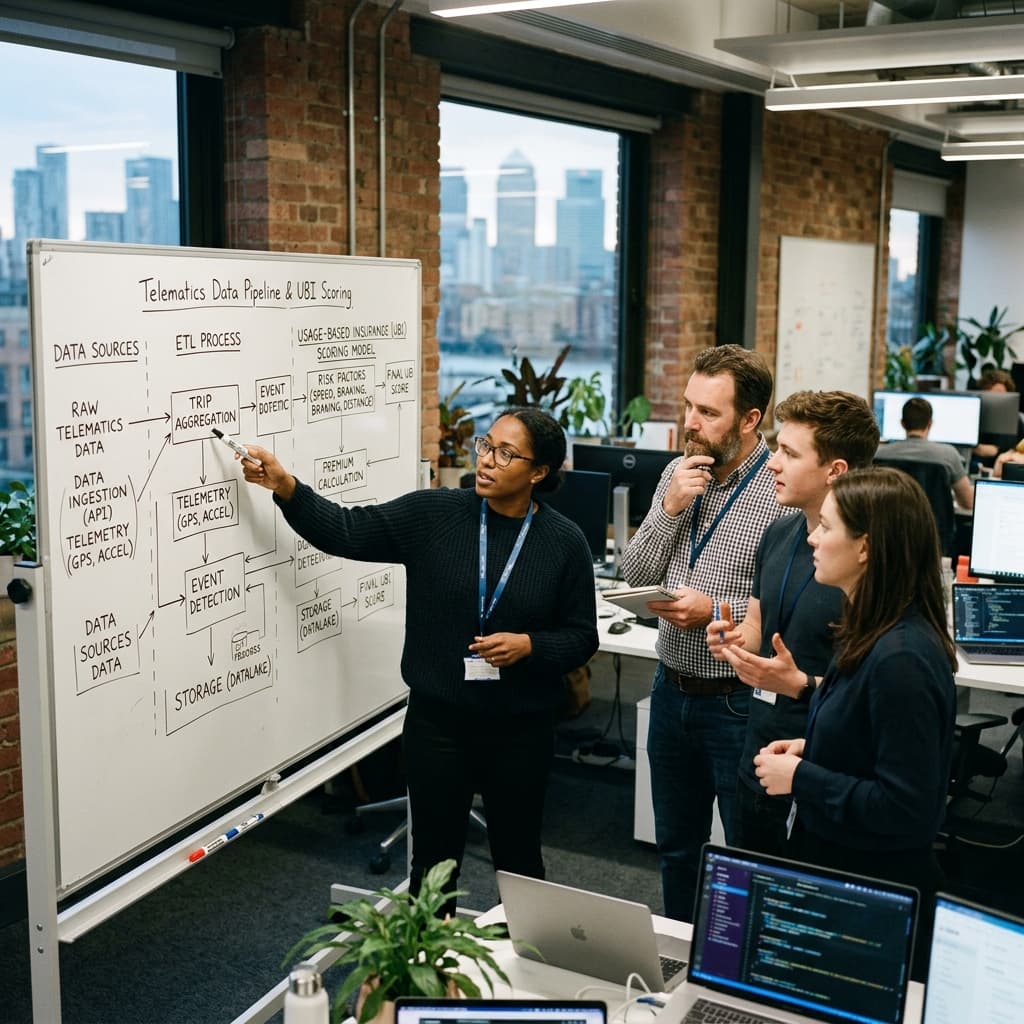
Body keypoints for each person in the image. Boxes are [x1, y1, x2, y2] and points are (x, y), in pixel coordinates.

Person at [237, 407, 599, 911]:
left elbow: (582, 637)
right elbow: (347, 530)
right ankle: (432, 978)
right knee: (432, 864)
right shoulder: (435, 515)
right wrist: (286, 487)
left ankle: (530, 979)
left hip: (521, 729)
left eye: (506, 454)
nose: (489, 461)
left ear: (539, 472)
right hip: (439, 723)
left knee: (519, 862)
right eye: (486, 445)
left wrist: (531, 647)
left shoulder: (563, 542)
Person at [753, 467, 956, 972]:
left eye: (826, 527)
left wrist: (802, 777)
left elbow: (906, 808)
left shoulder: (901, 657)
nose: (813, 539)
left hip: (872, 893)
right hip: (844, 871)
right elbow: (867, 731)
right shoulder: (871, 627)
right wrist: (814, 746)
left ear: (865, 547)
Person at [619, 344, 788, 921]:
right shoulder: (678, 472)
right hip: (671, 690)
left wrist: (715, 606)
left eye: (708, 413)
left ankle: (744, 987)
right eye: (689, 406)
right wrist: (668, 509)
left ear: (749, 420)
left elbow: (793, 609)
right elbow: (634, 576)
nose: (689, 423)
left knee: (747, 857)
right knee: (676, 850)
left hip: (738, 702)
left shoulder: (780, 488)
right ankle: (680, 971)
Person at [705, 390, 879, 856]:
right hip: (760, 745)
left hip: (823, 759)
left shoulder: (864, 562)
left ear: (835, 471)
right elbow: (763, 625)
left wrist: (801, 682)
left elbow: (873, 696)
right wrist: (738, 640)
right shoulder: (780, 531)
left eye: (789, 453)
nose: (772, 463)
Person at [874, 396, 973, 510]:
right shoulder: (948, 456)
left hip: (889, 526)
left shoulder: (879, 454)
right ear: (930, 424)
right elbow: (968, 503)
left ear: (902, 424)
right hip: (934, 527)